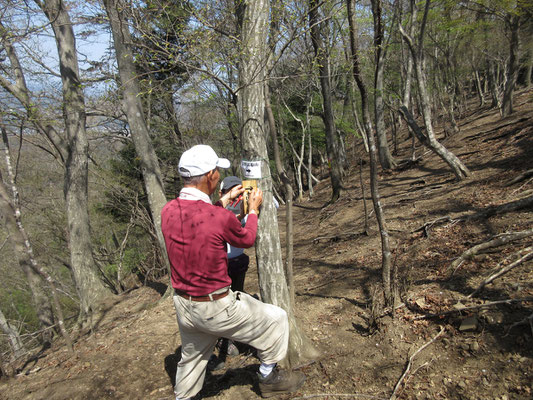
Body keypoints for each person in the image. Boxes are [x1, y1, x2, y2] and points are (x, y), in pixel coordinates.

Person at [161, 144, 305, 400]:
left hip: (184, 305)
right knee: (277, 319)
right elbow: (246, 238)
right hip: (217, 307)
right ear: (209, 176)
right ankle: (268, 376)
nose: (217, 174)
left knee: (191, 360)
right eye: (216, 170)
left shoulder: (168, 211)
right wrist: (251, 211)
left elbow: (199, 218)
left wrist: (223, 202)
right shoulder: (218, 217)